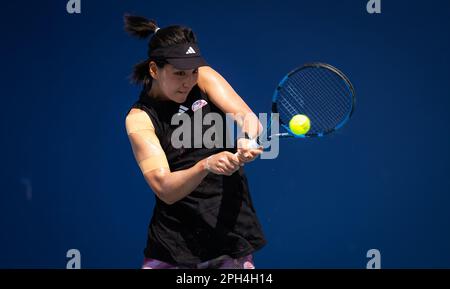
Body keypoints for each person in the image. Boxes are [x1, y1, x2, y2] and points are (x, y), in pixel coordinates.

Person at [124, 15, 266, 269]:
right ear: (154, 70)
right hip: (174, 245)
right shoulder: (140, 119)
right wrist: (206, 165)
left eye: (193, 71)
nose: (189, 81)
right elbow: (165, 189)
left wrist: (246, 138)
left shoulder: (205, 77)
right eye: (179, 73)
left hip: (230, 232)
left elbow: (249, 118)